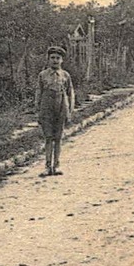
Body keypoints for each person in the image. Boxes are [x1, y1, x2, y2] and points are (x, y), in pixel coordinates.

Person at [35, 45, 76, 176]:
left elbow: (71, 93)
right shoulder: (42, 75)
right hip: (46, 108)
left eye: (58, 58)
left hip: (61, 107)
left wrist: (70, 110)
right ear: (48, 59)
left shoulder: (65, 75)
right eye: (52, 58)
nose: (55, 60)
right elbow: (38, 93)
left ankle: (56, 165)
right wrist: (38, 110)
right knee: (48, 138)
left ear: (62, 60)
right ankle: (47, 166)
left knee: (58, 138)